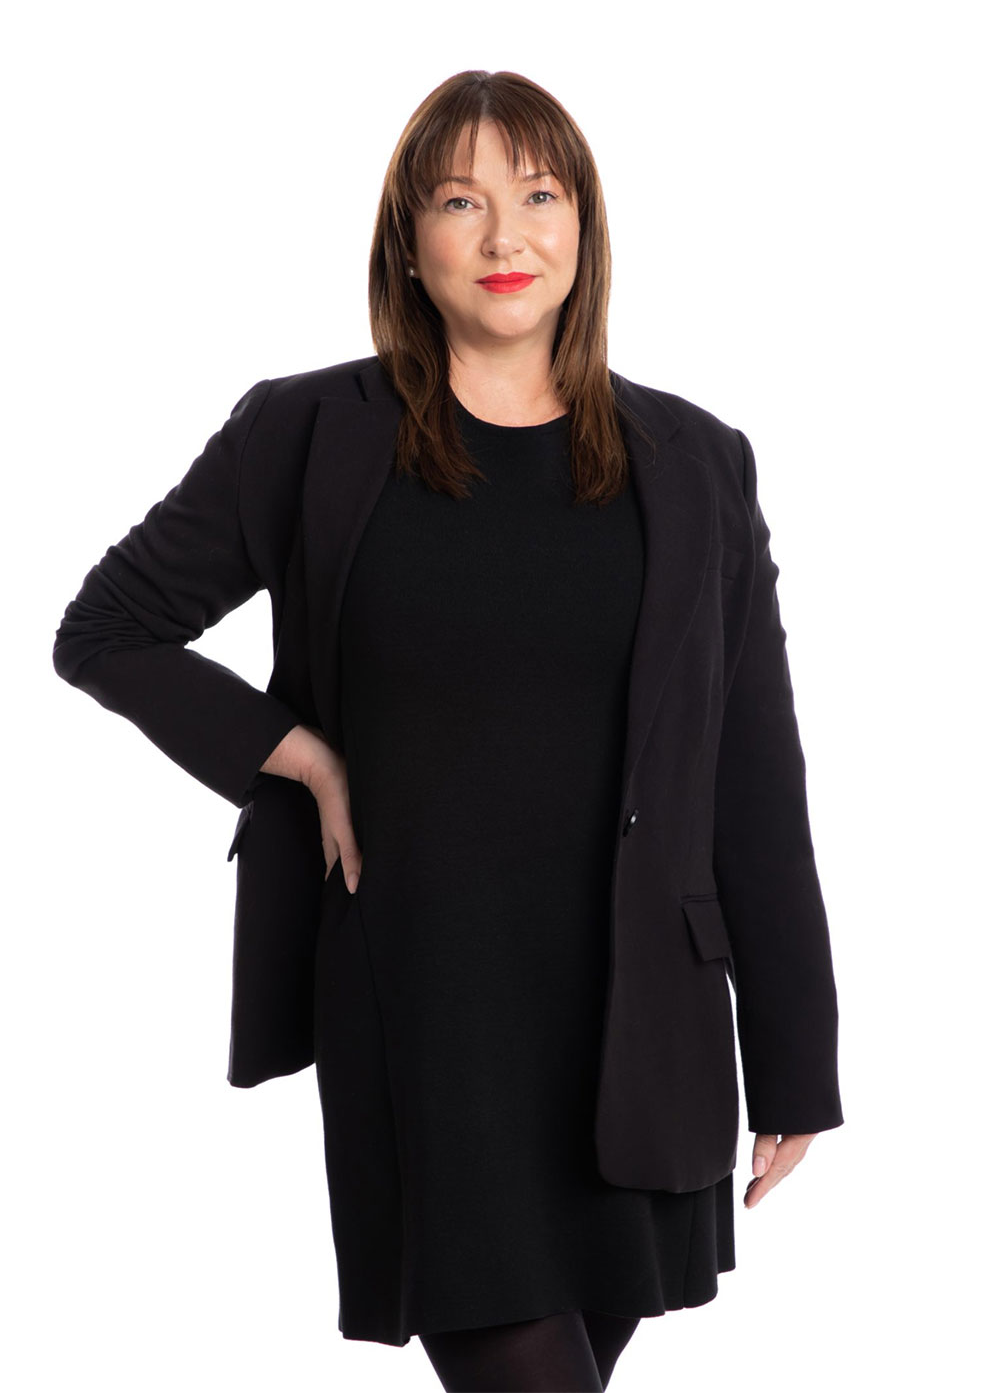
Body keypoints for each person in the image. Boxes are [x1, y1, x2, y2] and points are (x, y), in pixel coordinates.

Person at [52, 69, 843, 1392]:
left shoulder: (699, 464)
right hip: (425, 1009)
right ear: (408, 240)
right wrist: (299, 754)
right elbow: (108, 629)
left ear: (584, 226)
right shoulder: (307, 434)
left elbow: (755, 777)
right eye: (461, 202)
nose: (504, 237)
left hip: (637, 1024)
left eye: (539, 196)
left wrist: (797, 1059)